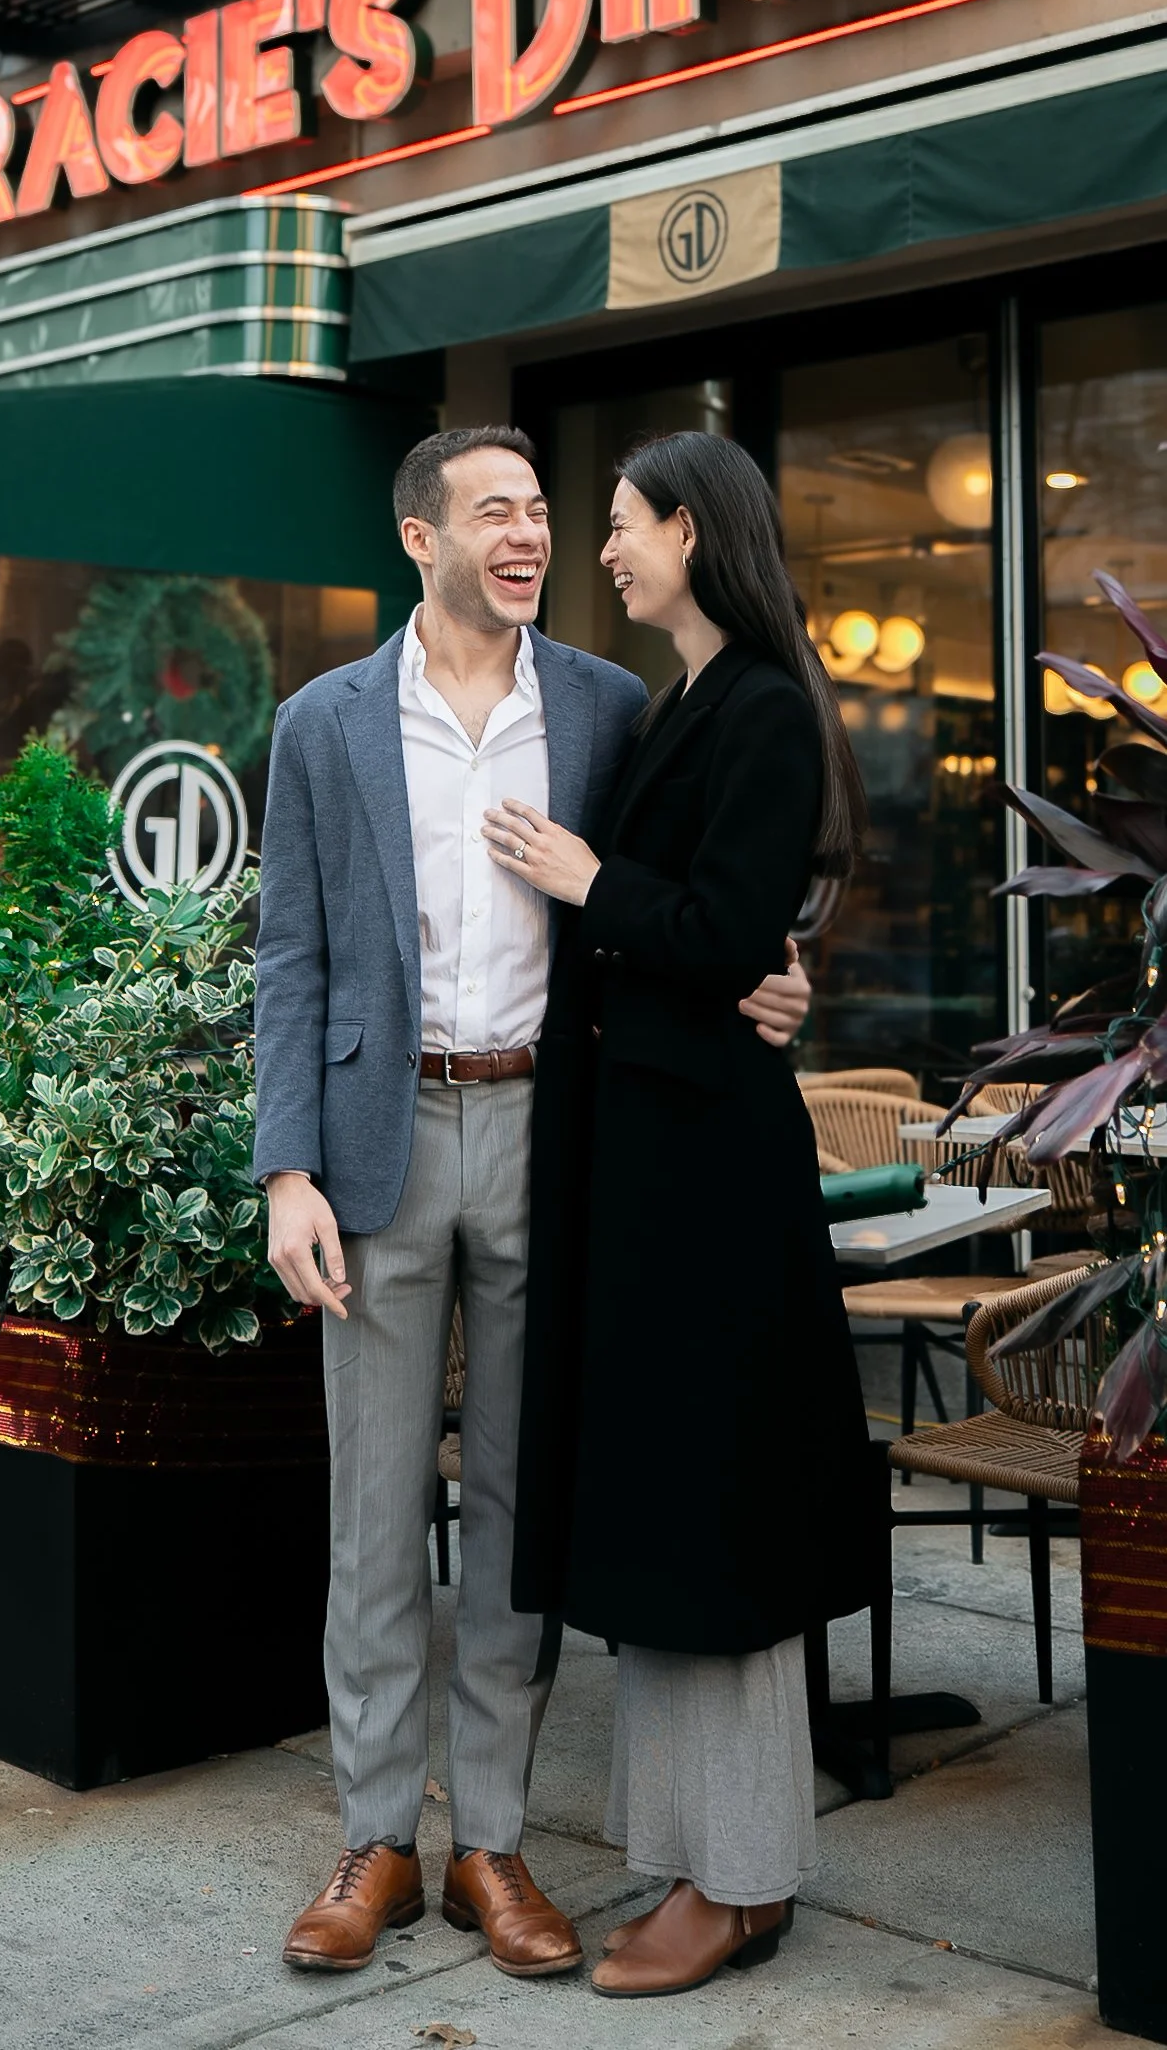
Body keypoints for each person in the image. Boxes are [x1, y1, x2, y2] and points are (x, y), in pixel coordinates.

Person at [253, 425, 813, 1980]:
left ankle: (492, 1842)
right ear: (417, 534)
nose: (530, 535)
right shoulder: (323, 720)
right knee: (372, 1510)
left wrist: (778, 971)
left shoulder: (612, 703)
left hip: (558, 1136)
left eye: (546, 514)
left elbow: (697, 881)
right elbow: (288, 956)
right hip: (379, 1142)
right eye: (494, 510)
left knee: (520, 1513)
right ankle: (374, 1835)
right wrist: (286, 1166)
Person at [486, 429, 873, 2001]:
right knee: (667, 1521)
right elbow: (735, 941)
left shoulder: (763, 712)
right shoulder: (686, 704)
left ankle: (739, 1876)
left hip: (704, 1184)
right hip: (650, 1166)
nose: (603, 551)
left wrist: (588, 879)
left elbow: (719, 928)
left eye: (625, 524)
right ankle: (702, 1861)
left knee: (713, 1531)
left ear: (694, 535)